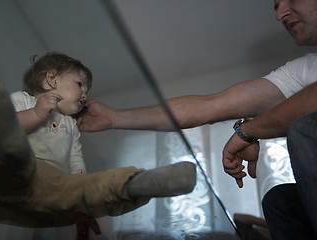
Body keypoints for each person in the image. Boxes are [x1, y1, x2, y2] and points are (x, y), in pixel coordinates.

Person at [76, 0, 317, 239]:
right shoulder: (303, 70)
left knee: (304, 128)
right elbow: (209, 106)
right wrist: (114, 117)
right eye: (276, 6)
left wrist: (248, 130)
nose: (280, 14)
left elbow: (311, 101)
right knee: (280, 201)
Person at [0, 52, 197, 234]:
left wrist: (79, 181)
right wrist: (36, 113)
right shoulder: (24, 100)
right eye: (80, 84)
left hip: (38, 191)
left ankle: (134, 185)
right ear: (51, 79)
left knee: (73, 191)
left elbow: (75, 157)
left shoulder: (70, 125)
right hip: (1, 176)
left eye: (86, 90)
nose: (84, 94)